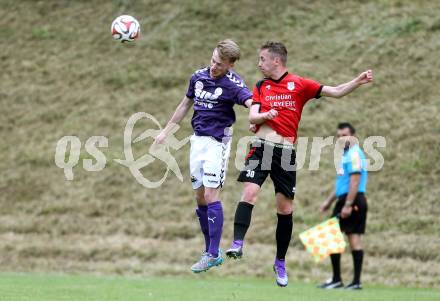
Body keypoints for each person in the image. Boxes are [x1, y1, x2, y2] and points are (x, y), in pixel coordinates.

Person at [225, 41, 373, 287]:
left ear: (276, 60)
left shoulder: (300, 84)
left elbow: (335, 91)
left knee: (285, 210)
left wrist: (356, 81)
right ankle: (237, 243)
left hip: (285, 153)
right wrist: (263, 117)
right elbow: (252, 115)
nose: (259, 63)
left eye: (262, 59)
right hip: (261, 148)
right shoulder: (261, 85)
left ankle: (280, 261)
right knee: (249, 192)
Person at [154, 39, 253, 273]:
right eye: (212, 60)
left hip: (217, 143)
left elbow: (250, 102)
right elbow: (184, 105)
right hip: (197, 141)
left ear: (231, 64)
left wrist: (260, 116)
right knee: (200, 198)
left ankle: (212, 253)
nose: (213, 66)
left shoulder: (233, 84)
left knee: (210, 194)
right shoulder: (198, 77)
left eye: (219, 63)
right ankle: (210, 250)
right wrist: (165, 132)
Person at [318, 122, 368, 290]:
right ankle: (349, 281)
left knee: (337, 237)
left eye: (344, 135)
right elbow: (342, 183)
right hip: (345, 199)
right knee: (343, 237)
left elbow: (355, 181)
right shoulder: (345, 155)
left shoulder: (354, 154)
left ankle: (344, 280)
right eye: (338, 136)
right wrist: (328, 201)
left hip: (352, 200)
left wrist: (347, 204)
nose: (341, 139)